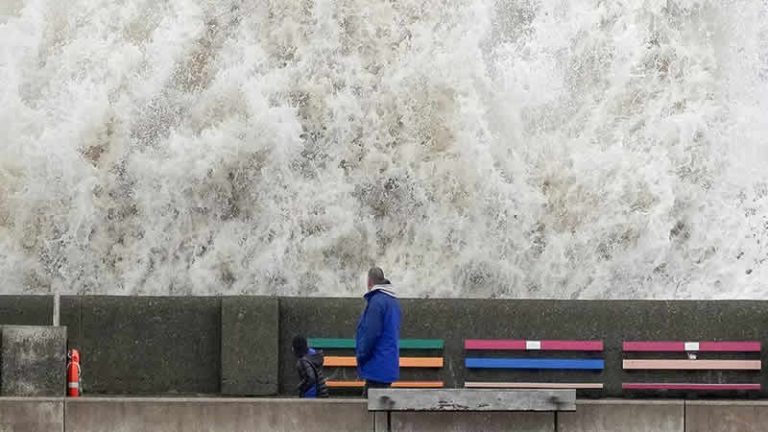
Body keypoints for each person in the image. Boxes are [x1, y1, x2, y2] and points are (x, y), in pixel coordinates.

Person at [355, 267, 401, 396]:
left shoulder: (376, 302)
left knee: (369, 410)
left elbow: (371, 333)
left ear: (369, 282)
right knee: (380, 407)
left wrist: (361, 355)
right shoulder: (393, 302)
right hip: (387, 363)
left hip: (376, 365)